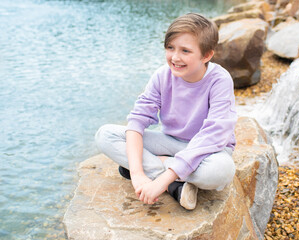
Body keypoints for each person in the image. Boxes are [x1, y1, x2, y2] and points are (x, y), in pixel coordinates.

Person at [95, 13, 237, 210]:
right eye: (170, 48)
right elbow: (137, 121)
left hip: (209, 151)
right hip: (172, 143)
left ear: (206, 55)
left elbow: (213, 136)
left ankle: (163, 171)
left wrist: (160, 182)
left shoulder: (220, 80)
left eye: (185, 51)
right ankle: (175, 185)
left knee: (222, 171)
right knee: (105, 135)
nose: (175, 57)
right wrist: (137, 175)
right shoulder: (162, 75)